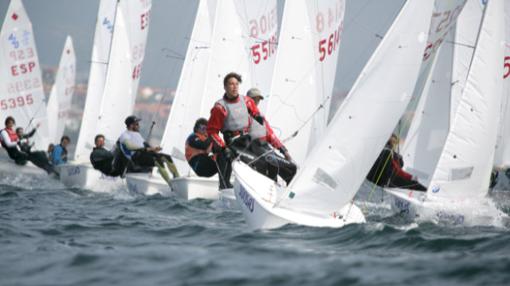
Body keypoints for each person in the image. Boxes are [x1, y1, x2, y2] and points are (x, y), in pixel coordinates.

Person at [207, 73, 296, 189]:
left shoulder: (247, 101)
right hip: (234, 145)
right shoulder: (220, 107)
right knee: (261, 163)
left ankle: (286, 192)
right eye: (231, 84)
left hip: (250, 142)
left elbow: (265, 126)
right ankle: (228, 187)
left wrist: (283, 150)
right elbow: (212, 131)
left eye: (236, 84)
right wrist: (224, 147)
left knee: (289, 167)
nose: (234, 87)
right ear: (225, 87)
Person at [117, 115, 179, 182]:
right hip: (136, 158)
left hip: (144, 155)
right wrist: (146, 149)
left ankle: (177, 179)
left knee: (167, 157)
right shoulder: (124, 135)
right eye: (137, 124)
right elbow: (130, 146)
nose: (139, 126)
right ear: (131, 125)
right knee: (157, 160)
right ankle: (171, 185)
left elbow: (145, 145)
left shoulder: (137, 134)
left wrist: (154, 149)